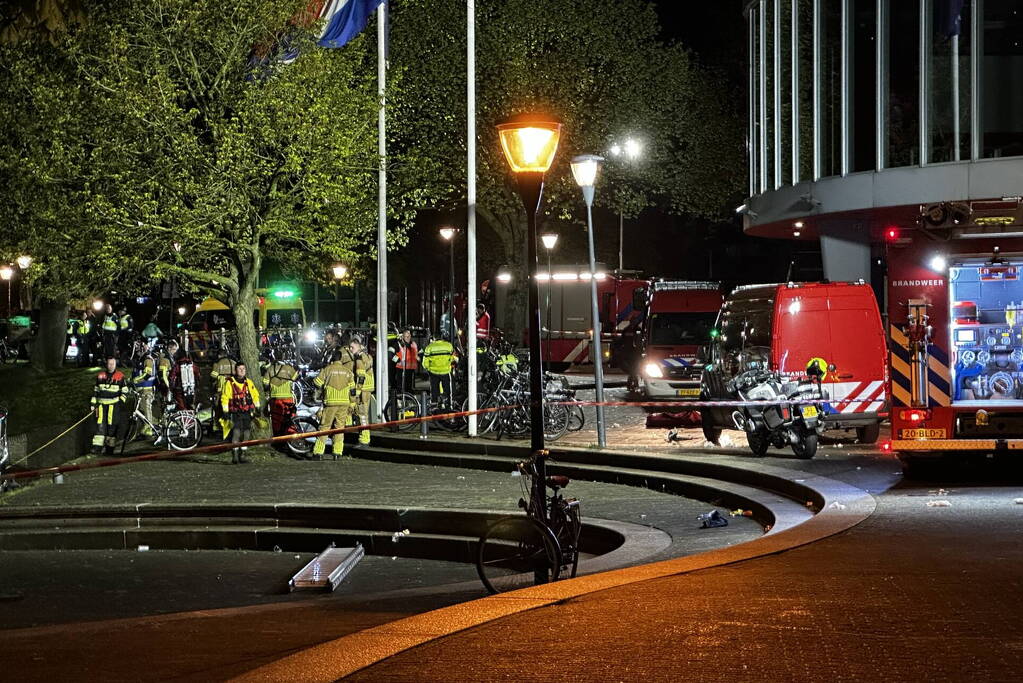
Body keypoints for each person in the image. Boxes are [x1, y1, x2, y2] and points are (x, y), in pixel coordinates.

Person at [312, 350, 355, 459]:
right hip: (344, 403)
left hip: (330, 403)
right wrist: (352, 403)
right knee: (339, 428)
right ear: (341, 358)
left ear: (332, 358)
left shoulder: (327, 369)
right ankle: (337, 453)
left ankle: (318, 452)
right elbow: (353, 390)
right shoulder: (348, 372)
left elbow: (317, 383)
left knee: (324, 427)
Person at [220, 362, 260, 464]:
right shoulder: (229, 383)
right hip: (235, 412)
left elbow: (255, 395)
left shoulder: (249, 382)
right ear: (235, 371)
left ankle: (243, 454)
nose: (242, 371)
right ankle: (235, 455)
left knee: (246, 432)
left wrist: (258, 407)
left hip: (247, 411)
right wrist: (225, 411)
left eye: (243, 369)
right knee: (236, 432)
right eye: (239, 369)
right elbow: (225, 397)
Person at [90, 356, 128, 455]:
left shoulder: (120, 376)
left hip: (113, 406)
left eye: (112, 364)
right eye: (109, 364)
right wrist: (93, 404)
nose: (110, 366)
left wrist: (119, 402)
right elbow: (96, 391)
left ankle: (109, 449)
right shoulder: (100, 376)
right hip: (101, 407)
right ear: (106, 364)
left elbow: (125, 391)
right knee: (100, 427)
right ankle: (97, 448)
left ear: (115, 364)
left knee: (112, 427)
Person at [347, 335, 374, 445]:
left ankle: (364, 438)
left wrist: (357, 391)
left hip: (363, 390)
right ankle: (364, 436)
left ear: (358, 346)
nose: (350, 349)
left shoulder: (359, 359)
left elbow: (361, 377)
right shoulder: (367, 355)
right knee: (363, 414)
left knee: (362, 414)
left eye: (352, 347)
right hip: (368, 388)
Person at [262, 356, 298, 436]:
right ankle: (291, 436)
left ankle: (278, 437)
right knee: (290, 418)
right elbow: (296, 378)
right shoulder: (289, 368)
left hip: (275, 399)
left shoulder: (270, 369)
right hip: (288, 397)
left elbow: (265, 383)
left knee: (276, 420)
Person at [423, 333, 456, 408]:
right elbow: (452, 358)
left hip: (433, 372)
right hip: (445, 371)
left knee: (434, 390)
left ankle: (434, 405)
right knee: (448, 390)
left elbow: (425, 362)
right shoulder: (449, 346)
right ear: (442, 337)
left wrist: (428, 369)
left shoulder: (429, 347)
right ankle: (448, 405)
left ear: (434, 338)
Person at [131, 350, 159, 437]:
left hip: (147, 389)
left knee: (146, 409)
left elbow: (147, 375)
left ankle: (149, 428)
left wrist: (135, 380)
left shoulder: (147, 359)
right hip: (141, 389)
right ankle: (151, 426)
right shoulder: (140, 359)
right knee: (142, 410)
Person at [392, 327, 419, 393]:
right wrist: (397, 360)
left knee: (409, 385)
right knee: (401, 385)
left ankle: (409, 395)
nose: (408, 338)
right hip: (401, 368)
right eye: (406, 336)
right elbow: (390, 353)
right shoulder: (398, 344)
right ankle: (400, 395)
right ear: (403, 337)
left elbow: (420, 351)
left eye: (409, 336)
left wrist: (420, 357)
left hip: (411, 368)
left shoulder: (414, 344)